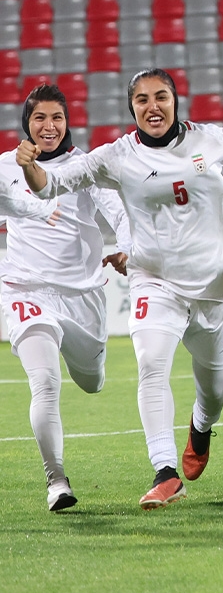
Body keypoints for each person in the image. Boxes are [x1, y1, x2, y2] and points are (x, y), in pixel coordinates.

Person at [18, 69, 223, 509]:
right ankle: (165, 472)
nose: (152, 106)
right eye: (142, 100)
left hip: (215, 285)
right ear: (132, 108)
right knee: (151, 363)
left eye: (160, 96)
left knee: (214, 388)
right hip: (154, 279)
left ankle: (201, 426)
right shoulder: (116, 156)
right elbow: (51, 186)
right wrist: (29, 166)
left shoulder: (210, 140)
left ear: (175, 101)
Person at [2, 85, 125, 511]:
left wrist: (128, 247)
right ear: (27, 123)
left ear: (67, 122)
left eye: (56, 117)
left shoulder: (85, 167)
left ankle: (90, 364)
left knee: (92, 382)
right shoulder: (6, 166)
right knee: (44, 382)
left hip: (82, 296)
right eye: (39, 118)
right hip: (26, 290)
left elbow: (120, 213)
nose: (49, 126)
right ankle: (57, 481)